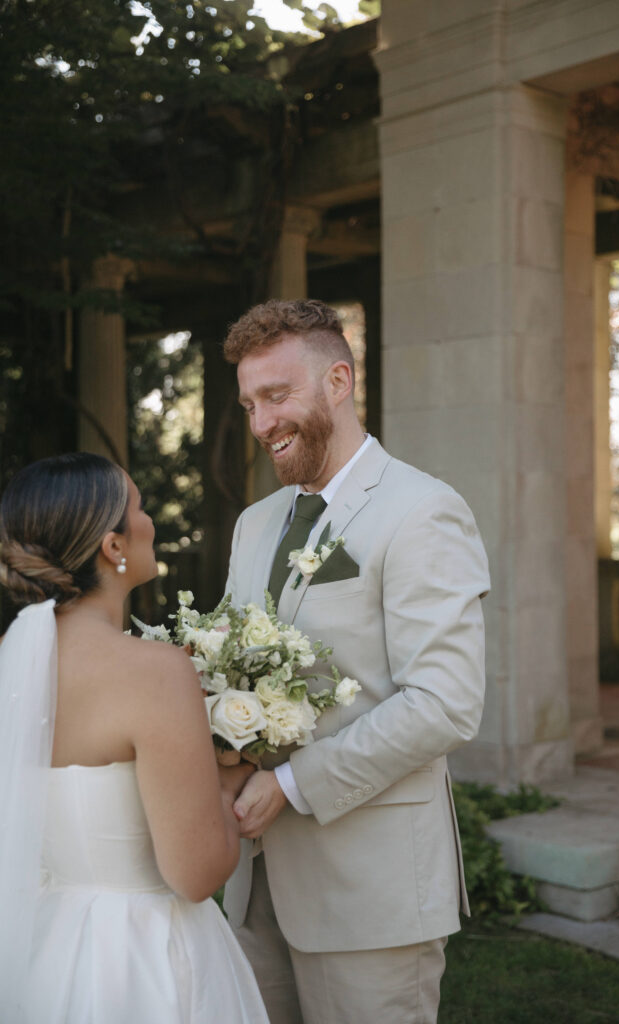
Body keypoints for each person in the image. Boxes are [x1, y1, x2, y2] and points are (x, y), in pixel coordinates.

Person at [222, 299, 491, 1024]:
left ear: (338, 382)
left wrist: (290, 783)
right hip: (253, 883)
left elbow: (443, 702)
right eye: (249, 403)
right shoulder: (253, 525)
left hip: (369, 893)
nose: (260, 424)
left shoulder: (420, 510)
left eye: (276, 396)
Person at [0, 452, 269, 1024]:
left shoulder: (12, 668)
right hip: (148, 958)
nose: (150, 521)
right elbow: (195, 875)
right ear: (114, 547)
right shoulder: (154, 671)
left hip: (51, 953)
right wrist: (235, 773)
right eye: (140, 507)